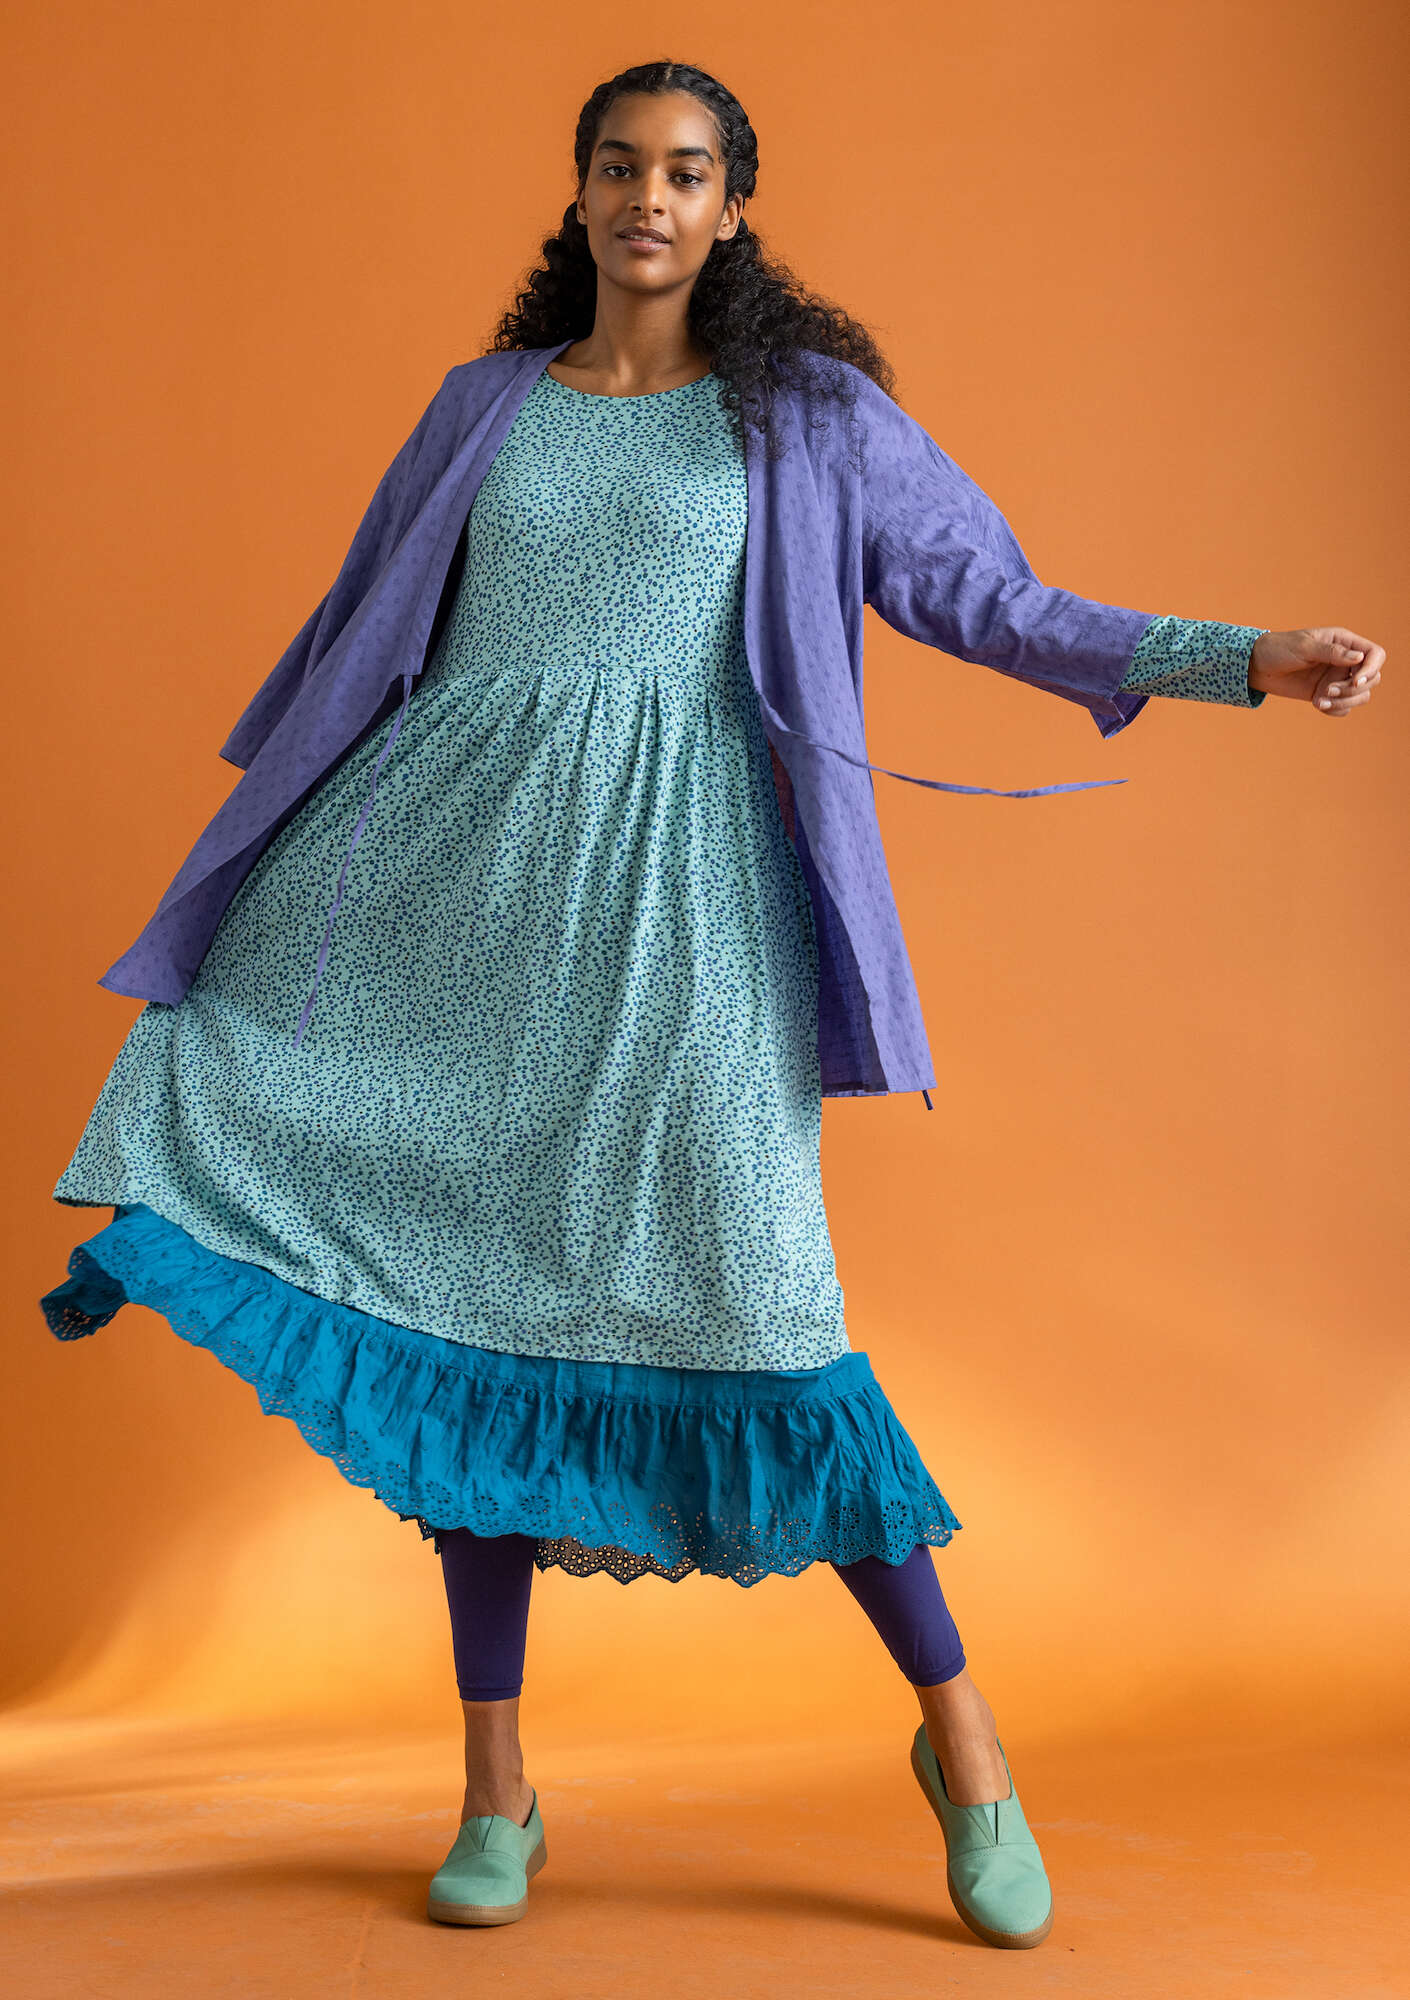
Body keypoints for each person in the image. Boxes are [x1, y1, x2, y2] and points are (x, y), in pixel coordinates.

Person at [40, 59, 1384, 1949]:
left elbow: (992, 599)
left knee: (766, 1307)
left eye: (685, 172)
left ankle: (965, 1749)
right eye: (619, 166)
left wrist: (1235, 658)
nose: (647, 199)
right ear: (578, 193)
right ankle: (495, 1786)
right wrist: (257, 878)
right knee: (466, 1315)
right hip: (454, 899)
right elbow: (358, 642)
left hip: (693, 915)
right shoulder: (482, 406)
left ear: (733, 205)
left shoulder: (804, 414)